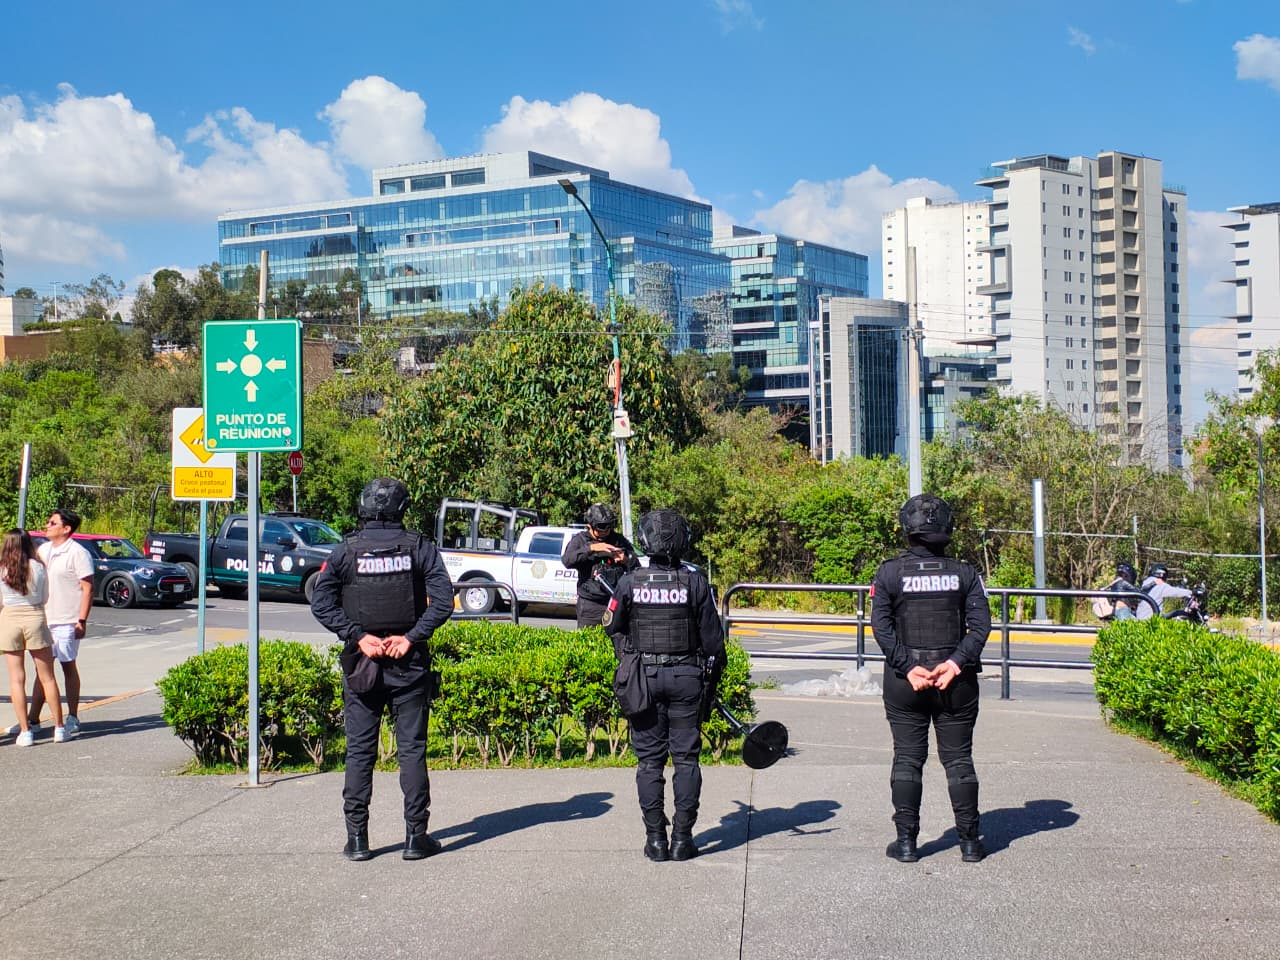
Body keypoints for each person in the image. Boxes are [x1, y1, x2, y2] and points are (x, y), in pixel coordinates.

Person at [310, 478, 455, 862]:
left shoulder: (345, 551)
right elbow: (444, 603)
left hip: (363, 665)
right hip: (407, 663)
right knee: (411, 752)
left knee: (359, 752)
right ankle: (415, 837)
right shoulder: (420, 548)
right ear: (402, 509)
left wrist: (357, 636)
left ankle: (357, 839)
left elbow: (321, 603)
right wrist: (411, 637)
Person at [871, 493, 992, 864]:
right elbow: (981, 625)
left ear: (907, 528)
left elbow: (882, 626)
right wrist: (955, 663)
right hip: (956, 683)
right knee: (959, 761)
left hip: (906, 683)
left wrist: (908, 666)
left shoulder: (889, 573)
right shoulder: (965, 573)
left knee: (907, 759)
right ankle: (970, 843)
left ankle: (907, 844)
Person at [603, 508, 724, 862]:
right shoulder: (694, 583)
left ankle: (656, 840)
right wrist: (710, 687)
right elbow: (715, 644)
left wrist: (629, 656)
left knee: (649, 763)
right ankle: (683, 839)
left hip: (644, 678)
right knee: (686, 760)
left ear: (644, 541)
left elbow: (613, 626)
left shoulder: (629, 582)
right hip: (687, 677)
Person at [25, 509, 93, 736]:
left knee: (67, 665)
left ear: (66, 529)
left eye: (52, 522)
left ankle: (72, 716)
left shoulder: (77, 553)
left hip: (67, 620)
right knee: (42, 669)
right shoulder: (43, 550)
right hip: (44, 618)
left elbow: (87, 588)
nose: (47, 525)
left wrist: (81, 620)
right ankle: (33, 719)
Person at [1, 529, 66, 745]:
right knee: (47, 676)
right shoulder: (38, 567)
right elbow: (46, 596)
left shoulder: (2, 569)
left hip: (10, 618)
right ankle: (59, 727)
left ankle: (25, 731)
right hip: (35, 617)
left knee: (16, 679)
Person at [561, 503, 638, 627]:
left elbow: (636, 565)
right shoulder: (580, 540)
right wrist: (593, 548)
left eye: (609, 527)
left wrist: (625, 559)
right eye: (601, 527)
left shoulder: (618, 539)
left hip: (614, 601)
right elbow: (567, 560)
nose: (605, 531)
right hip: (590, 605)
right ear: (590, 526)